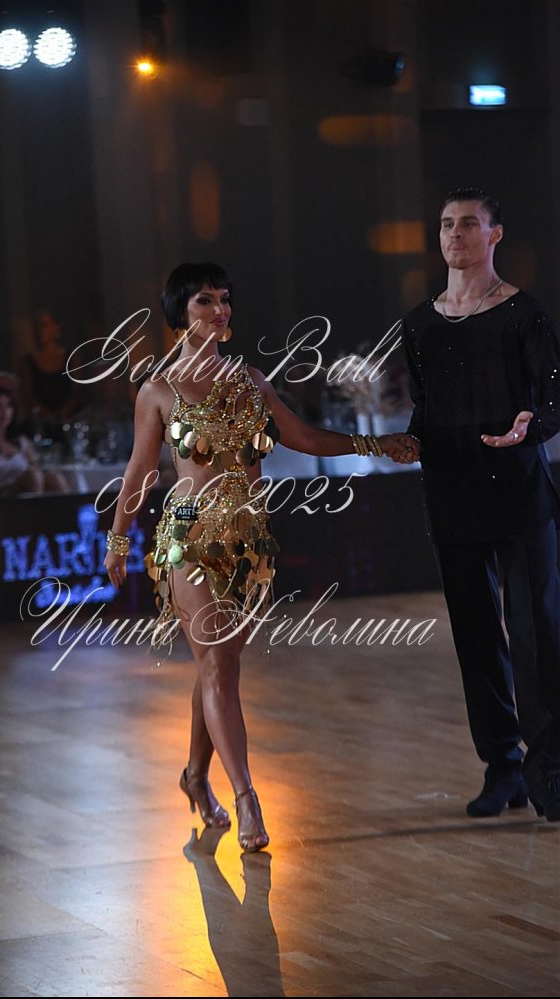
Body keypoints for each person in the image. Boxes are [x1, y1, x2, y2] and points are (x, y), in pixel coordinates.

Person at [103, 261, 418, 852]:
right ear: (180, 313)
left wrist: (376, 444)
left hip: (251, 542)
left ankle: (194, 775)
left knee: (215, 665)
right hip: (189, 538)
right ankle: (246, 797)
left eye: (224, 299)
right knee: (220, 667)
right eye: (204, 301)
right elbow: (140, 471)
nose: (219, 310)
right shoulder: (159, 390)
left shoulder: (250, 379)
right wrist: (118, 538)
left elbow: (303, 437)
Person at [401, 187, 560, 821]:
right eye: (447, 224)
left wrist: (532, 426)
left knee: (536, 632)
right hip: (452, 490)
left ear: (495, 235)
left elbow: (553, 401)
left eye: (469, 224)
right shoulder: (419, 323)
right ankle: (503, 767)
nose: (455, 234)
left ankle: (549, 772)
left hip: (518, 490)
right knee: (474, 634)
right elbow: (426, 404)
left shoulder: (524, 314)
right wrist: (407, 440)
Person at [0, 386, 69, 499]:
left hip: (26, 491)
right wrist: (0, 491)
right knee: (32, 478)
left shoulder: (21, 442)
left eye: (9, 406)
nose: (4, 412)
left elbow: (37, 469)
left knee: (54, 477)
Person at [18, 309, 82, 436]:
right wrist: (46, 415)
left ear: (56, 328)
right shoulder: (27, 361)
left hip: (69, 422)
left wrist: (62, 414)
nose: (40, 330)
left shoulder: (71, 357)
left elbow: (77, 392)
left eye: (45, 325)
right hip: (40, 424)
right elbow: (27, 394)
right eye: (37, 326)